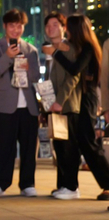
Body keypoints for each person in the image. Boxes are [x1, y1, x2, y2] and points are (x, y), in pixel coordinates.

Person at [45, 14, 109, 200]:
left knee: (88, 143)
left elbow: (74, 70)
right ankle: (69, 185)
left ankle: (105, 184)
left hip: (87, 99)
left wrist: (55, 53)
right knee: (75, 143)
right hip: (81, 99)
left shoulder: (87, 47)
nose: (67, 31)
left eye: (69, 28)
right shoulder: (77, 47)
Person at [0, 8, 40, 197]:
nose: (16, 30)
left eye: (19, 26)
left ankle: (27, 184)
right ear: (5, 26)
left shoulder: (31, 49)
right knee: (4, 145)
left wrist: (28, 68)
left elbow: (36, 77)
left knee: (29, 146)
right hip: (5, 104)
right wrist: (7, 56)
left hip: (28, 104)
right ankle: (1, 182)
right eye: (12, 26)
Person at [42, 12, 82, 198]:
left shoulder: (69, 48)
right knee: (59, 147)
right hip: (53, 106)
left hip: (67, 105)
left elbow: (73, 77)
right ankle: (63, 185)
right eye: (48, 25)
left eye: (55, 24)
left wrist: (60, 101)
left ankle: (72, 187)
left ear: (64, 28)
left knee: (69, 148)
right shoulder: (48, 51)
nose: (51, 28)